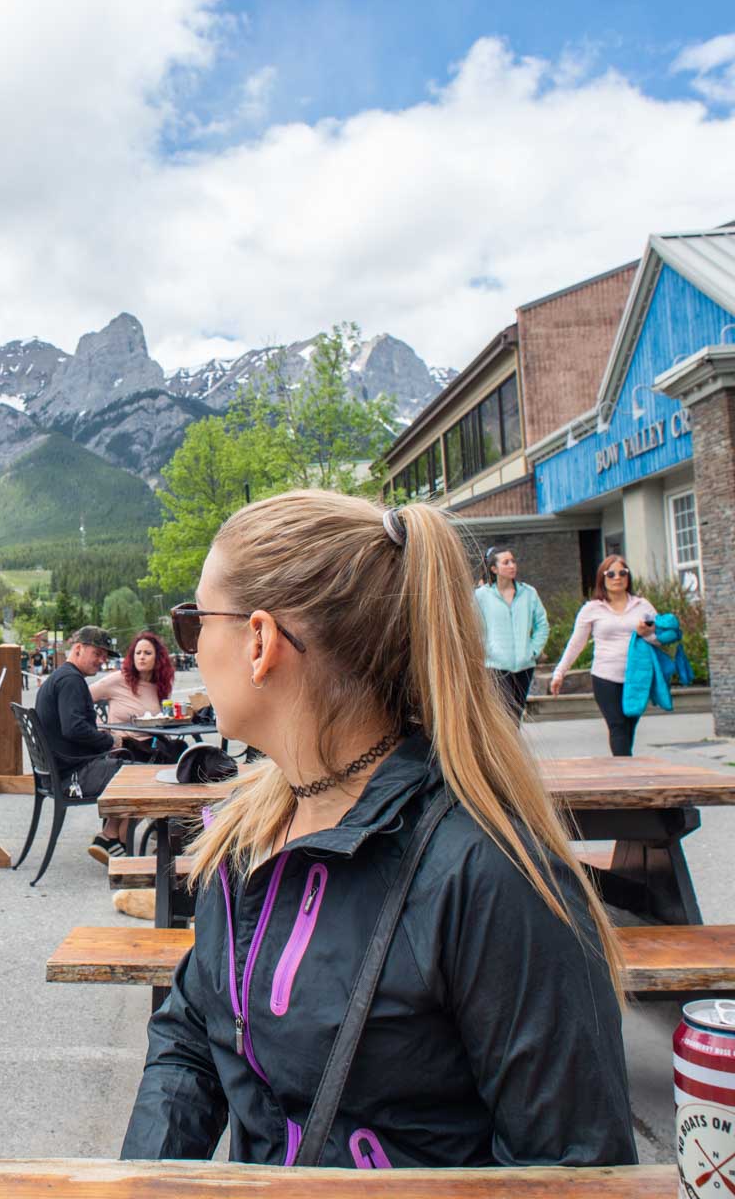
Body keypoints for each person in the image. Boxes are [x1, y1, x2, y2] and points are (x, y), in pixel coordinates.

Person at [122, 490, 636, 1170]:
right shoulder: (248, 830)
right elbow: (192, 1035)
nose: (189, 648)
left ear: (259, 642)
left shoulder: (488, 873)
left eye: (193, 623)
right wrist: (142, 1183)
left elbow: (576, 1172)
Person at [550, 556, 657, 756]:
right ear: (602, 578)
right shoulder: (592, 609)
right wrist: (559, 673)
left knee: (628, 725)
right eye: (611, 574)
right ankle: (625, 773)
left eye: (623, 573)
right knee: (617, 725)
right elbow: (576, 643)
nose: (618, 578)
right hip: (605, 676)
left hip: (636, 677)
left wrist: (647, 633)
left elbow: (659, 640)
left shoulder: (643, 606)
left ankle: (624, 765)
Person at [88, 631, 181, 860]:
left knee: (177, 756)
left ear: (157, 658)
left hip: (146, 746)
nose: (141, 657)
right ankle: (117, 835)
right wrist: (101, 727)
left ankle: (118, 837)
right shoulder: (119, 679)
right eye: (138, 652)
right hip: (121, 747)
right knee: (149, 769)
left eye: (147, 653)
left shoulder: (160, 686)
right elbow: (82, 698)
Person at [34, 625, 121, 858]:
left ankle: (114, 840)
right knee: (134, 775)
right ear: (79, 648)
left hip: (56, 773)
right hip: (68, 778)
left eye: (105, 655)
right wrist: (109, 740)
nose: (102, 660)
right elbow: (74, 729)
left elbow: (71, 728)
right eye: (98, 653)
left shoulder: (62, 677)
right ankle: (110, 838)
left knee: (123, 764)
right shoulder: (71, 680)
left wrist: (101, 738)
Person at [473, 544, 549, 723]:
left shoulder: (529, 593)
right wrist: (485, 650)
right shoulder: (481, 596)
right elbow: (472, 628)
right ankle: (502, 750)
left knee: (515, 715)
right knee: (503, 715)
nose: (512, 565)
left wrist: (534, 651)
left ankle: (508, 750)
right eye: (506, 562)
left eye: (513, 561)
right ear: (494, 569)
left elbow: (542, 625)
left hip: (524, 665)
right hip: (495, 666)